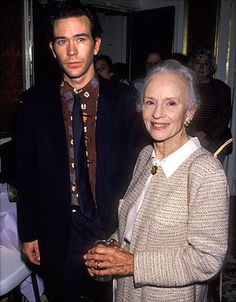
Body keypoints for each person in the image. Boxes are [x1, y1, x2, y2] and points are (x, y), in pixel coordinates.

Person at [16, 1, 145, 301]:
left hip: (109, 230)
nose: (72, 51)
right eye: (62, 41)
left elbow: (138, 172)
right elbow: (27, 174)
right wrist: (28, 232)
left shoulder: (126, 101)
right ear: (52, 48)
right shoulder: (32, 104)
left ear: (96, 44)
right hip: (56, 231)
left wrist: (129, 236)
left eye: (81, 39)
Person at [84, 59, 229, 302]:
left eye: (171, 103)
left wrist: (134, 265)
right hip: (127, 291)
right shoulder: (145, 155)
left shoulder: (205, 172)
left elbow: (207, 259)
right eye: (150, 102)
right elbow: (132, 224)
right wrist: (111, 250)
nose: (157, 113)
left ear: (190, 111)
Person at [188, 48, 233, 163]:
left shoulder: (221, 88)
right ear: (192, 65)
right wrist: (193, 135)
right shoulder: (185, 87)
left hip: (215, 141)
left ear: (210, 68)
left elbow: (224, 116)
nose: (202, 67)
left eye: (206, 64)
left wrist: (205, 135)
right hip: (189, 140)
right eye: (198, 63)